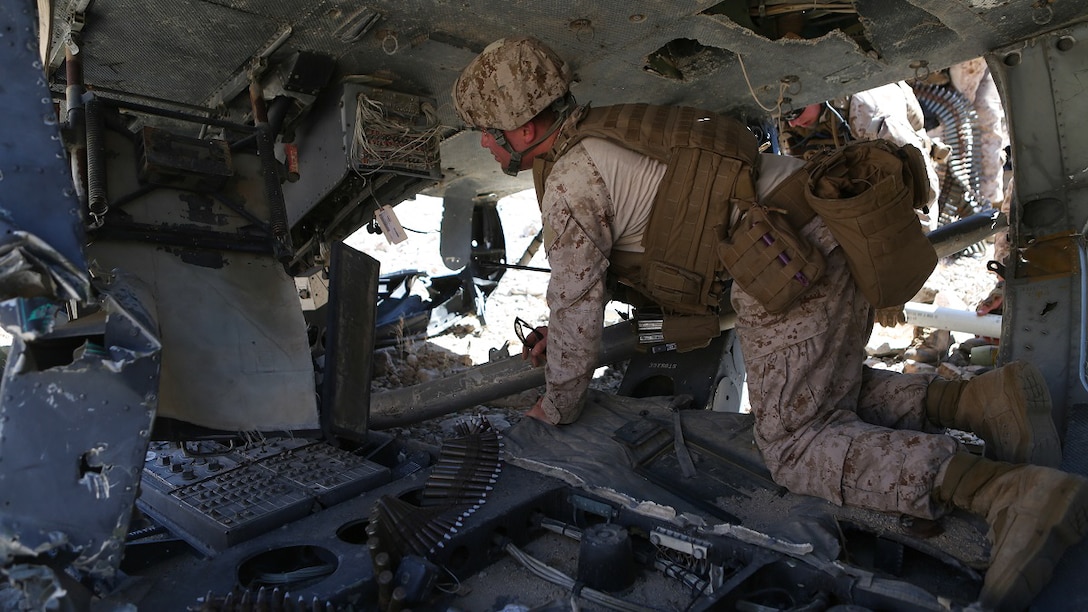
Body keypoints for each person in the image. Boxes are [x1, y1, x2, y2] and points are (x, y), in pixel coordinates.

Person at [452, 36, 1088, 610]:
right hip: (815, 236)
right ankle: (977, 400)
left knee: (794, 446)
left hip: (788, 265)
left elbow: (575, 304)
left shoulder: (571, 179)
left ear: (522, 122)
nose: (481, 143)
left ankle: (1005, 494)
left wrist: (556, 405)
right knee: (816, 389)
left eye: (486, 130)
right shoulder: (610, 132)